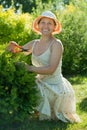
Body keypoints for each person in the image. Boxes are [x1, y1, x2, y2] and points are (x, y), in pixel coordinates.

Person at [7, 11, 81, 123]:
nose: (45, 26)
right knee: (21, 85)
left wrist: (29, 68)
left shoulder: (56, 44)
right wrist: (11, 48)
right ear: (38, 25)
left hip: (54, 87)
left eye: (49, 23)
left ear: (54, 27)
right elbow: (18, 52)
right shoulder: (34, 43)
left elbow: (51, 69)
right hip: (40, 82)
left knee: (29, 89)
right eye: (43, 22)